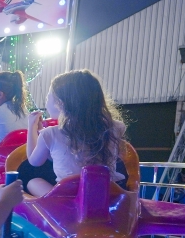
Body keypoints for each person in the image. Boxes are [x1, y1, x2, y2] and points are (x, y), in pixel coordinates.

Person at [24, 70, 127, 198]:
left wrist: (32, 127)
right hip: (105, 193)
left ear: (60, 103)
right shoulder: (116, 127)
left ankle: (59, 206)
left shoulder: (49, 134)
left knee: (33, 182)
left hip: (69, 196)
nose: (46, 102)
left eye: (48, 98)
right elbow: (71, 150)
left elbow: (34, 161)